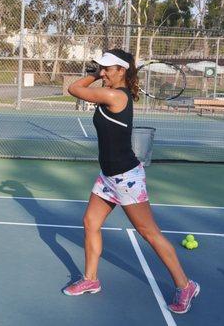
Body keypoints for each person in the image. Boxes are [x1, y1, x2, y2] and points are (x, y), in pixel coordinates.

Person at [65, 49, 199, 314]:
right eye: (100, 68)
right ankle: (91, 280)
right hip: (108, 177)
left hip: (127, 178)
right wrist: (99, 73)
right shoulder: (112, 92)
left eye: (106, 69)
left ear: (121, 70)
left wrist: (91, 75)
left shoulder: (115, 96)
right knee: (90, 222)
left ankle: (186, 286)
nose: (102, 72)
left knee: (150, 233)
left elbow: (73, 88)